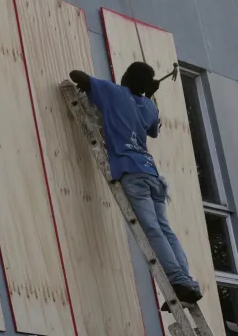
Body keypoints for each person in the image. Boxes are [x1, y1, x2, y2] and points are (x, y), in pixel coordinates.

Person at [69, 62, 203, 310]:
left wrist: (87, 85)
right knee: (164, 228)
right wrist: (149, 94)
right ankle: (186, 280)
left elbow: (77, 75)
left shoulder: (114, 92)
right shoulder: (149, 106)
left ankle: (178, 281)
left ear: (127, 77)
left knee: (151, 229)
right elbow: (153, 130)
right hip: (152, 174)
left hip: (131, 171)